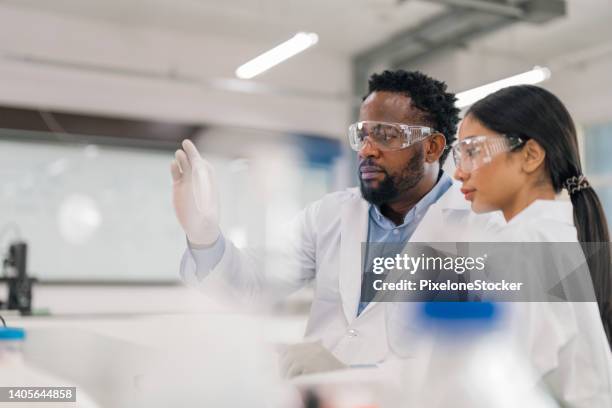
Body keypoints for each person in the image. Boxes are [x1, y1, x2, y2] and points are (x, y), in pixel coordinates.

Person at [171, 70, 496, 377]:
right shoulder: (328, 216)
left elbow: (485, 358)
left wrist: (356, 374)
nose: (367, 150)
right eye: (362, 135)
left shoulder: (484, 230)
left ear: (432, 147)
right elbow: (252, 284)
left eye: (385, 136)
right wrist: (203, 235)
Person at [453, 84, 612, 407]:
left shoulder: (527, 245)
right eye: (459, 155)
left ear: (530, 156)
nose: (458, 172)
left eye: (472, 151)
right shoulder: (557, 233)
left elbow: (501, 387)